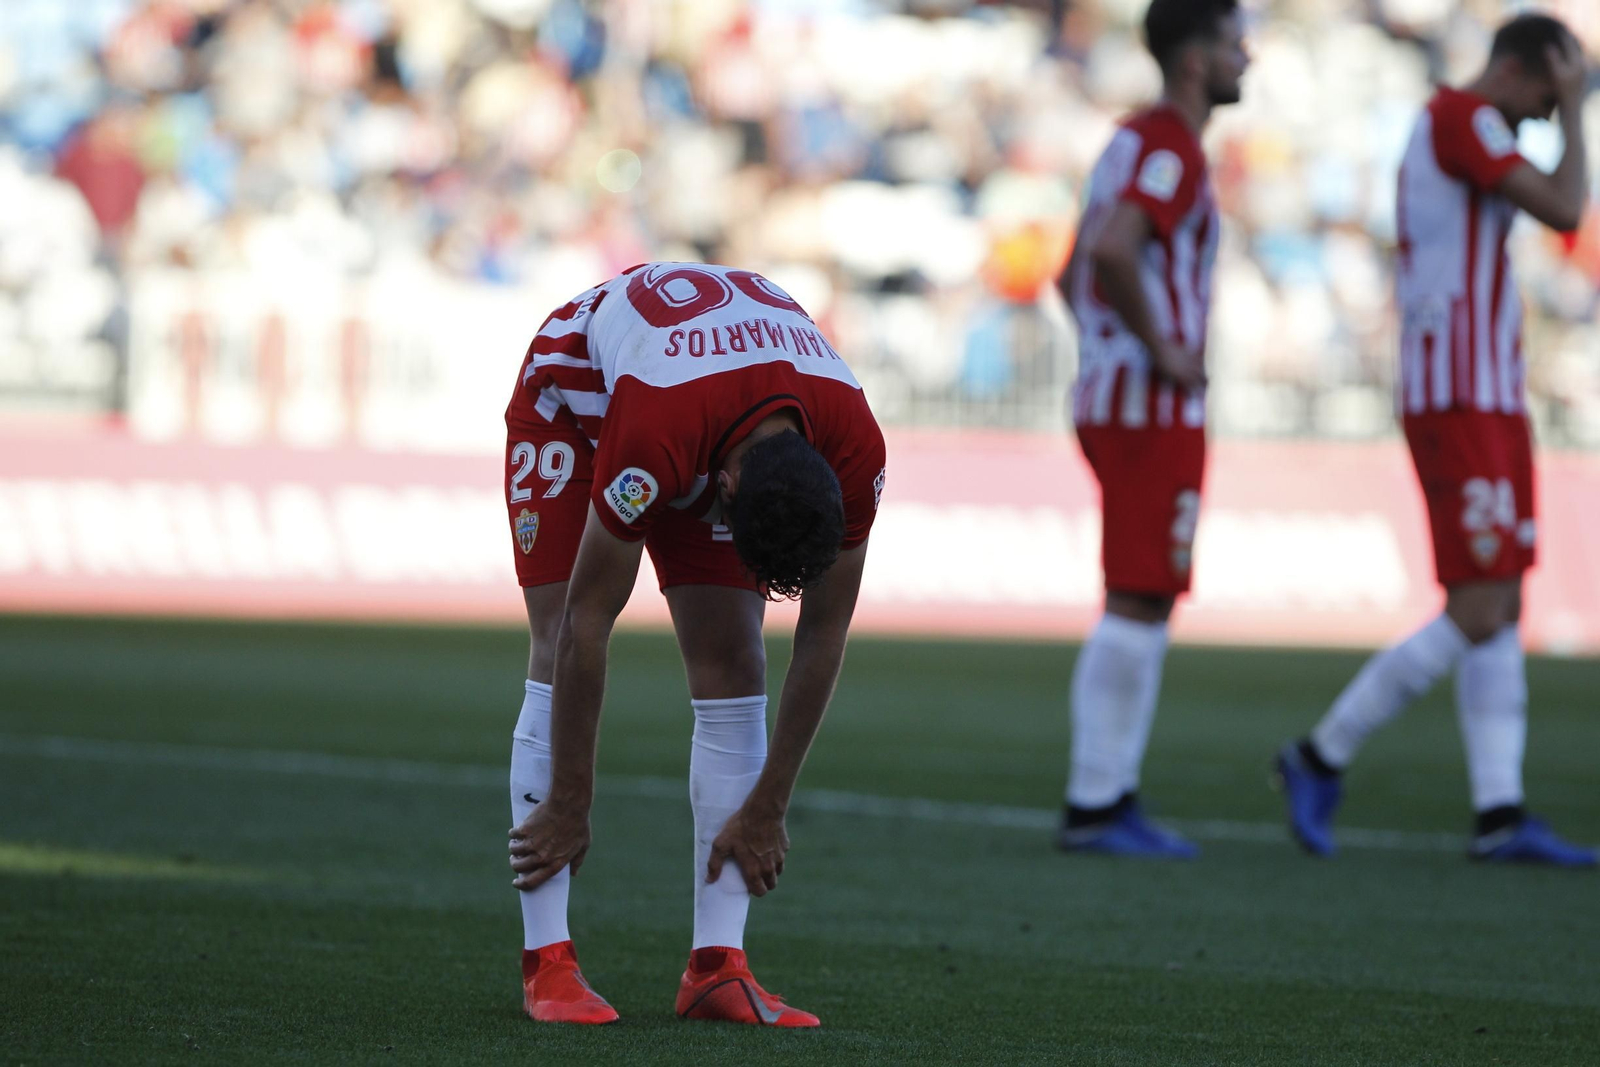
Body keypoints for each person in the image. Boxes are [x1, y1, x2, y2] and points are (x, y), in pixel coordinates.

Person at [501, 263, 887, 1025]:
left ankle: (717, 966)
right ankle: (548, 963)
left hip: (710, 400)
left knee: (737, 656)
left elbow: (825, 629)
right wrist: (572, 800)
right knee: (552, 640)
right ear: (729, 489)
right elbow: (586, 622)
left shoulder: (856, 452)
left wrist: (771, 802)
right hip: (582, 394)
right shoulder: (656, 434)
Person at [1276, 15, 1595, 868]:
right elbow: (1567, 209)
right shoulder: (1462, 116)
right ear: (1525, 70)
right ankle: (1320, 753)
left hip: (1482, 391)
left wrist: (1563, 102)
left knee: (1502, 604)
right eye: (1546, 90)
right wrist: (1574, 109)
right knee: (1480, 603)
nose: (1543, 113)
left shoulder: (1467, 124)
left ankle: (1500, 814)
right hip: (1458, 393)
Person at [1053, 0, 1248, 859]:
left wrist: (1105, 345)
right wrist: (1163, 347)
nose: (1249, 58)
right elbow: (1110, 252)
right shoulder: (1169, 142)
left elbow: (1070, 271)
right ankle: (1098, 802)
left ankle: (1105, 794)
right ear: (1198, 58)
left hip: (1114, 393)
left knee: (1142, 589)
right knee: (1140, 591)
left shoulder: (1130, 140)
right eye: (1237, 43)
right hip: (1147, 403)